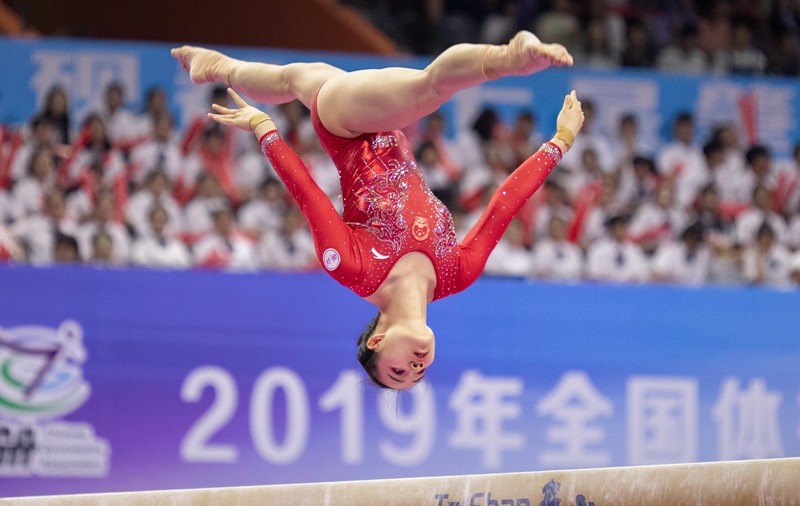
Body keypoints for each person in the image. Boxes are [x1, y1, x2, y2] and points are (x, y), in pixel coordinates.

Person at [173, 31, 583, 389]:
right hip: (379, 118)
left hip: (346, 128)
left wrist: (265, 130)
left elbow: (308, 195)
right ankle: (218, 66)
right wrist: (561, 140)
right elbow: (503, 207)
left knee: (428, 91)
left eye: (398, 371)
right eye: (417, 375)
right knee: (289, 79)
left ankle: (511, 56)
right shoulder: (456, 275)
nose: (415, 368)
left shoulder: (352, 269)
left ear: (377, 341)